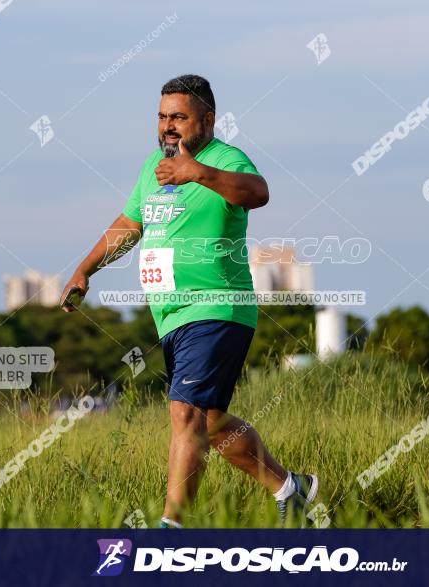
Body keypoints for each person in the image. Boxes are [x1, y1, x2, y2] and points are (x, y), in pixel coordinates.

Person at [61, 74, 317, 527]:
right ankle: (289, 488)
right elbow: (129, 225)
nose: (168, 126)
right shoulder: (150, 169)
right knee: (212, 421)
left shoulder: (225, 158)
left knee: (185, 413)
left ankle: (171, 530)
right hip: (171, 316)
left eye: (178, 116)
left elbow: (258, 193)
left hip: (218, 306)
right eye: (161, 117)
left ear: (208, 119)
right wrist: (86, 269)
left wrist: (196, 171)